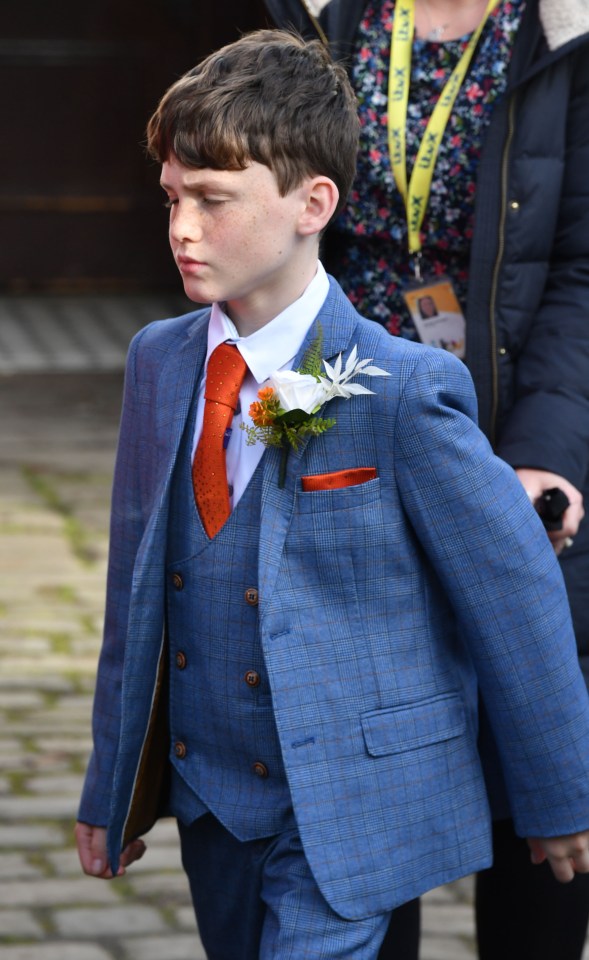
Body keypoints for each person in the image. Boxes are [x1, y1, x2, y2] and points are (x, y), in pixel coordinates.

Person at [74, 28, 589, 960]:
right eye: (172, 198)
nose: (182, 228)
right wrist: (110, 787)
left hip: (352, 815)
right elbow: (135, 588)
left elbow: (514, 597)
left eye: (213, 201)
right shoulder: (159, 361)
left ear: (313, 203)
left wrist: (559, 800)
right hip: (214, 804)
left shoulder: (396, 389)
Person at [263, 1, 589, 956]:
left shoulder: (566, 30)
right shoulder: (327, 18)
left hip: (513, 418)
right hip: (333, 396)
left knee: (531, 721)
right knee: (354, 718)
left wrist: (544, 455)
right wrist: (266, 417)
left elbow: (583, 265)